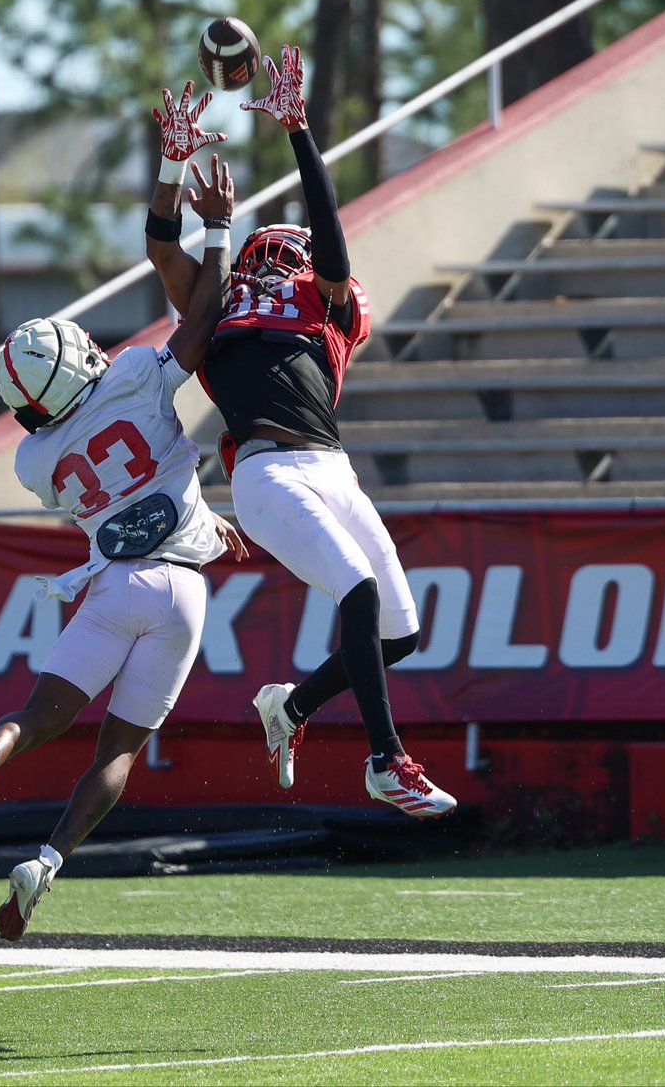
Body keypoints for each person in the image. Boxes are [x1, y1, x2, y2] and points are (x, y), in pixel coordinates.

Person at [0, 148, 246, 941]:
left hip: (114, 584)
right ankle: (50, 857)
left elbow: (122, 497)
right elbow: (202, 323)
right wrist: (220, 227)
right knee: (117, 751)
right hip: (184, 590)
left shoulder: (35, 462)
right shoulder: (133, 374)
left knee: (35, 716)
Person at [145, 47, 456, 821]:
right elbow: (162, 246)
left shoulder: (329, 305)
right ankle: (387, 761)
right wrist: (171, 166)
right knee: (355, 591)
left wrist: (299, 134)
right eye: (273, 248)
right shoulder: (219, 304)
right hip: (265, 472)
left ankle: (290, 705)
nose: (282, 256)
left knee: (399, 632)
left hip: (332, 471)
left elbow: (336, 249)